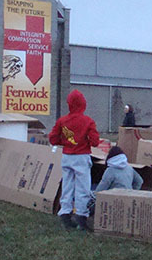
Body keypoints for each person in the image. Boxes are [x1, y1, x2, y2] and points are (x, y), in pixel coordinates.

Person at [49, 89, 100, 231]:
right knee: (82, 188)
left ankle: (65, 213)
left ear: (69, 104)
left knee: (67, 186)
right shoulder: (88, 121)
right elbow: (95, 142)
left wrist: (64, 142)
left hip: (66, 156)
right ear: (83, 104)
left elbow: (52, 138)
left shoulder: (62, 121)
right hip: (82, 156)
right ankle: (81, 217)